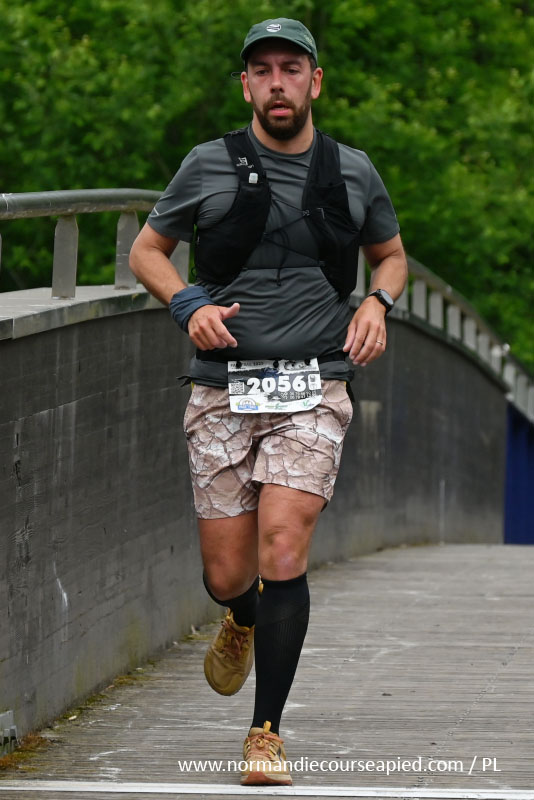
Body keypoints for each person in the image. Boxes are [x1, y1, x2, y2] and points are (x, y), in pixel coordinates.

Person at [129, 17, 407, 786]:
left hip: (315, 381)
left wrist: (377, 302)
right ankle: (241, 614)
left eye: (291, 68)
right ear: (246, 85)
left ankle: (266, 733)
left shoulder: (352, 171)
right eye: (263, 70)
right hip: (223, 385)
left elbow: (390, 255)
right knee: (228, 572)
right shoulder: (206, 164)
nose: (277, 82)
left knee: (283, 546)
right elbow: (146, 250)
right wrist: (188, 304)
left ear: (315, 81)